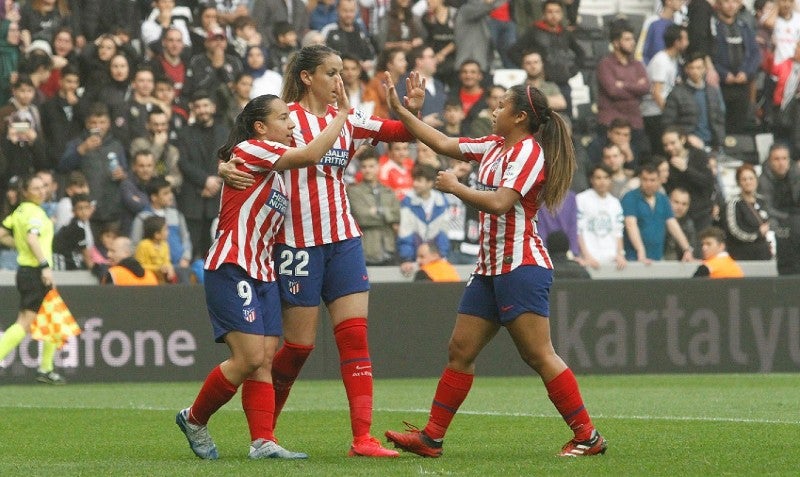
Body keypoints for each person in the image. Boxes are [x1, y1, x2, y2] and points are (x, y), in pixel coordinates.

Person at [218, 44, 426, 457]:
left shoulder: (345, 118)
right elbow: (238, 152)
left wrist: (410, 112)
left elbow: (399, 133)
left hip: (343, 240)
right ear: (307, 76)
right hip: (295, 244)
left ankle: (362, 438)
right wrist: (222, 168)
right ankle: (265, 435)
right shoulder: (283, 118)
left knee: (355, 339)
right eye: (331, 73)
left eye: (343, 72)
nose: (340, 81)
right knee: (297, 348)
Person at [383, 76, 607, 457]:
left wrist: (456, 188)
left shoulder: (529, 154)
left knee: (539, 354)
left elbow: (502, 202)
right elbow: (441, 142)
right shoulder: (494, 146)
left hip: (520, 264)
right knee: (460, 349)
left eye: (501, 105)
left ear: (520, 117)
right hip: (489, 267)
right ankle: (432, 437)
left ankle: (587, 437)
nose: (493, 110)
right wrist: (404, 111)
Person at [176, 88, 352, 461]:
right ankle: (193, 418)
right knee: (250, 358)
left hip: (263, 271)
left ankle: (262, 441)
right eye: (282, 119)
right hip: (232, 264)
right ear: (260, 127)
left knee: (266, 358)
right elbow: (310, 153)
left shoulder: (273, 166)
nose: (290, 124)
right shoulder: (253, 149)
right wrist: (342, 115)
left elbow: (323, 158)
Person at [0, 174, 65, 384]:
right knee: (25, 322)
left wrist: (20, 246)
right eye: (35, 188)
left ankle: (46, 369)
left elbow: (2, 233)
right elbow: (32, 237)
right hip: (36, 271)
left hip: (27, 271)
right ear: (25, 192)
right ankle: (45, 368)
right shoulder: (35, 213)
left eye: (43, 187)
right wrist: (44, 266)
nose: (41, 191)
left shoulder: (18, 211)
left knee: (53, 317)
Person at [622, 163, 695, 263]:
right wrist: (640, 250)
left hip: (657, 257)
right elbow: (631, 225)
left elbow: (673, 224)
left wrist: (686, 249)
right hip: (634, 258)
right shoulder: (630, 197)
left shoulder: (663, 199)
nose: (648, 183)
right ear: (640, 179)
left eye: (652, 180)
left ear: (659, 181)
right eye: (645, 179)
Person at [346, 149, 401, 266]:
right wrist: (387, 215)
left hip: (389, 249)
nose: (368, 170)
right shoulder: (353, 191)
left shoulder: (389, 191)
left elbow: (397, 216)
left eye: (371, 166)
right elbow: (361, 217)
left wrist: (377, 212)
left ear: (378, 166)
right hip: (366, 251)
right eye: (364, 166)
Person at [397, 163, 451, 277]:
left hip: (435, 259)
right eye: (414, 180)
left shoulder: (441, 202)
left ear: (430, 183)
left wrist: (441, 255)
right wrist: (407, 259)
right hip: (414, 261)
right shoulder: (407, 201)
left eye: (419, 180)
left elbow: (443, 233)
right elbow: (405, 233)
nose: (415, 184)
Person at [758, 142, 800, 275]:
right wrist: (788, 218)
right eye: (776, 159)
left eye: (784, 158)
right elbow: (767, 207)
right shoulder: (763, 180)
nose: (781, 163)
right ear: (770, 161)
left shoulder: (796, 174)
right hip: (776, 219)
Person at [576, 164, 627, 270]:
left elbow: (618, 232)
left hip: (612, 261)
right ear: (592, 180)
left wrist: (620, 255)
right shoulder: (581, 199)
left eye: (606, 177)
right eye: (598, 178)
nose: (602, 181)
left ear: (610, 180)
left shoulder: (615, 203)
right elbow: (578, 231)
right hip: (589, 260)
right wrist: (587, 256)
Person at [724, 163, 772, 260]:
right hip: (743, 253)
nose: (748, 182)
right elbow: (734, 230)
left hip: (764, 252)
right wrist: (757, 234)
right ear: (738, 182)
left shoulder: (763, 201)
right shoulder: (734, 203)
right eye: (744, 179)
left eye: (751, 178)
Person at [52, 193, 95, 271]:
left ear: (91, 209)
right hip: (60, 259)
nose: (84, 212)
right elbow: (85, 254)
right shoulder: (77, 227)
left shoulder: (81, 224)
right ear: (73, 211)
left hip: (70, 258)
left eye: (86, 208)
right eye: (80, 208)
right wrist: (94, 270)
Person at [134, 214, 175, 283]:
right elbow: (140, 266)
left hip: (162, 281)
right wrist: (158, 269)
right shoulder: (143, 245)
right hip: (147, 280)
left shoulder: (165, 245)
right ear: (157, 235)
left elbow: (167, 261)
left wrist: (170, 268)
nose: (168, 232)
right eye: (165, 230)